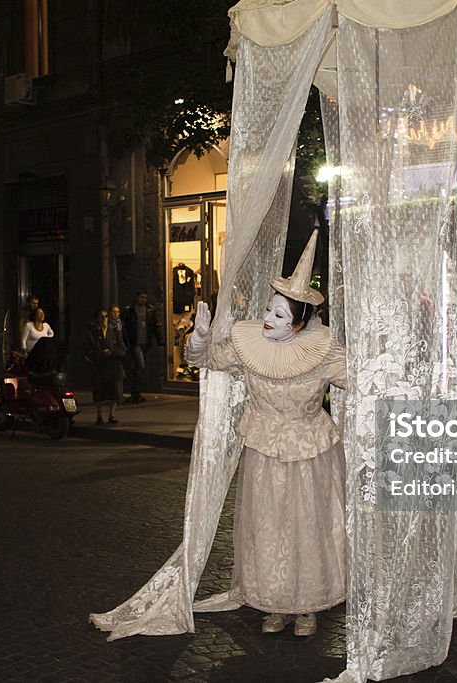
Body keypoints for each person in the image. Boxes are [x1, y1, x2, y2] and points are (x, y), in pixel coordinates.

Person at [184, 230, 346, 637]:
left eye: (278, 315)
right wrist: (200, 337)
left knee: (307, 528)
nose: (267, 319)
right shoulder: (249, 345)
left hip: (310, 454)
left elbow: (370, 378)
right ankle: (274, 603)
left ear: (299, 323)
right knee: (268, 528)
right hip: (263, 452)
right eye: (268, 310)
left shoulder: (323, 352)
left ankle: (306, 607)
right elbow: (204, 360)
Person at [85, 306, 127, 425]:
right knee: (99, 391)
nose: (104, 319)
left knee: (115, 390)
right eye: (101, 317)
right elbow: (89, 351)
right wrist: (100, 354)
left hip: (113, 364)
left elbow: (122, 348)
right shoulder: (92, 334)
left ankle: (112, 415)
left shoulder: (114, 332)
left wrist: (113, 352)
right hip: (100, 365)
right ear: (97, 319)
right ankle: (99, 416)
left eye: (106, 317)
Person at [121, 291, 164, 403]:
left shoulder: (150, 310)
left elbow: (155, 325)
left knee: (139, 367)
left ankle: (136, 392)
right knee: (140, 366)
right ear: (137, 297)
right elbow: (124, 326)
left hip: (145, 341)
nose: (143, 300)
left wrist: (160, 340)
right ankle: (135, 392)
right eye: (141, 297)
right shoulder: (130, 310)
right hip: (135, 342)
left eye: (145, 298)